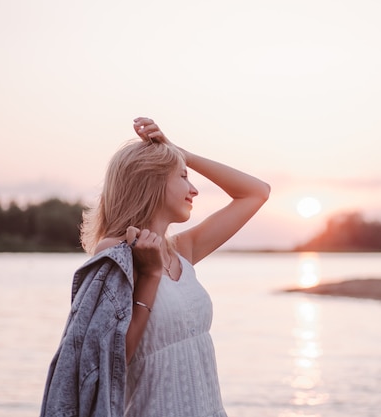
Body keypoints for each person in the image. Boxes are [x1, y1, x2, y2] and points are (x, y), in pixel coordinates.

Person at [40, 117, 270, 417]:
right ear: (153, 181)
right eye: (183, 177)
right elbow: (110, 362)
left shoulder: (182, 250)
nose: (194, 189)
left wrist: (178, 152)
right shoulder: (116, 252)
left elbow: (257, 192)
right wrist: (149, 275)